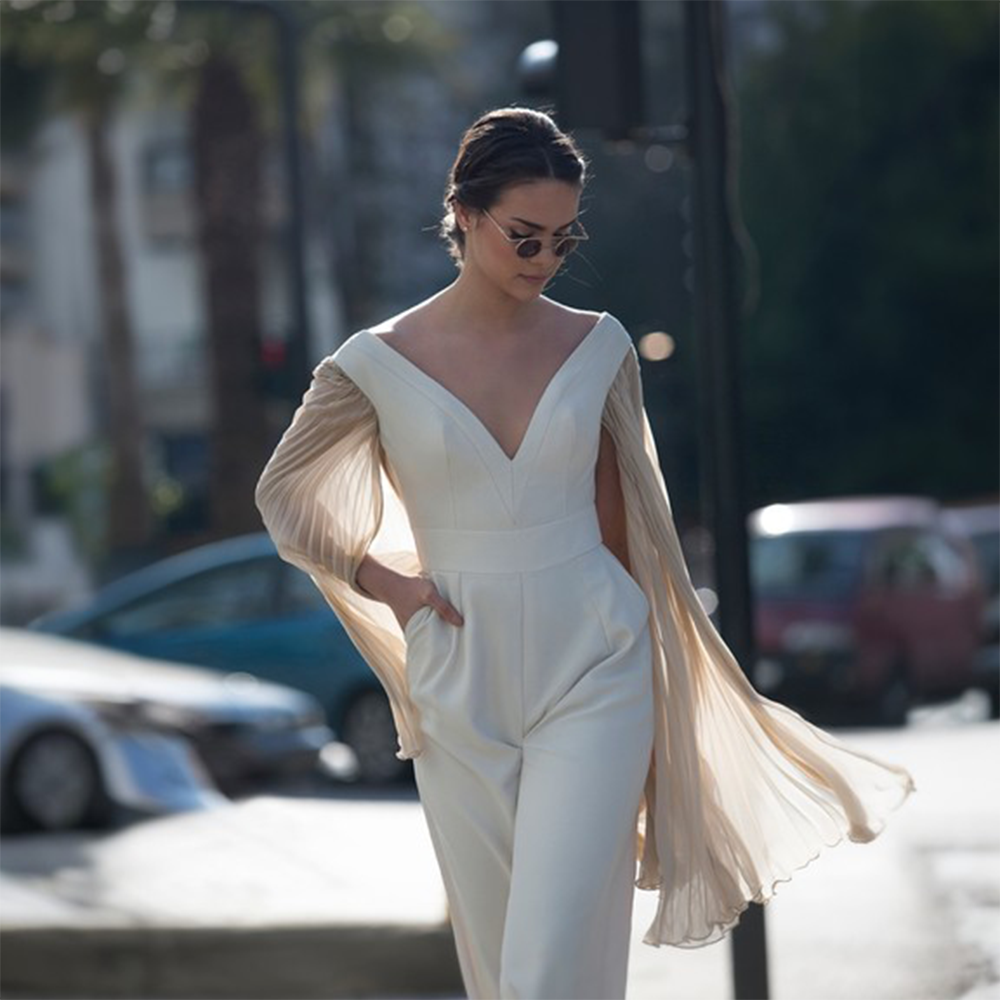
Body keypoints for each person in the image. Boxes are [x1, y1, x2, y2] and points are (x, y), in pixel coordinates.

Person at [255, 106, 913, 1000]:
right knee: (498, 965)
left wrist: (664, 706)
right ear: (464, 211)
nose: (544, 261)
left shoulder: (599, 345)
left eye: (564, 242)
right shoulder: (373, 363)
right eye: (524, 237)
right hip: (460, 663)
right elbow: (284, 496)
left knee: (552, 964)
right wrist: (390, 586)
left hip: (597, 658)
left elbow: (624, 521)